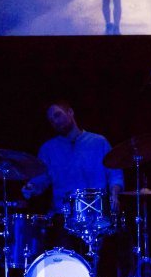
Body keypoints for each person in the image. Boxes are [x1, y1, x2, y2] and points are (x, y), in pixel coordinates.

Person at [22, 100, 124, 233]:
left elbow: (115, 173)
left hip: (98, 214)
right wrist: (31, 187)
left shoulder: (99, 142)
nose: (55, 122)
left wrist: (114, 195)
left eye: (58, 115)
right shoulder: (48, 149)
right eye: (51, 120)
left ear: (70, 112)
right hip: (63, 217)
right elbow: (41, 180)